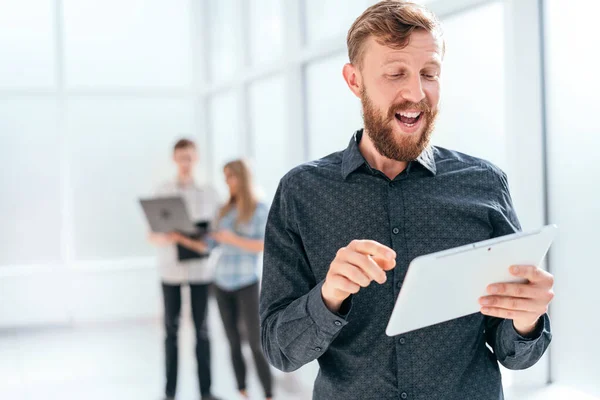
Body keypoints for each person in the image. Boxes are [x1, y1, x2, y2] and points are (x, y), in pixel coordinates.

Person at [259, 2, 554, 400]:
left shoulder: (484, 184)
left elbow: (514, 354)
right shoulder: (301, 193)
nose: (416, 93)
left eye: (428, 74)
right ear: (354, 80)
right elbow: (280, 351)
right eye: (395, 73)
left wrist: (526, 320)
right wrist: (329, 295)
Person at [172, 159, 273, 400]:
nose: (227, 181)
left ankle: (269, 394)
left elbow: (263, 245)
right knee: (232, 341)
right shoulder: (223, 210)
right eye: (225, 177)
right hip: (221, 282)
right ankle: (243, 391)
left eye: (230, 176)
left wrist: (232, 238)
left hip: (246, 282)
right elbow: (211, 244)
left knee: (255, 343)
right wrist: (184, 237)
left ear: (242, 177)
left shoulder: (259, 209)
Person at [148, 138, 221, 400]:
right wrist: (170, 237)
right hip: (171, 271)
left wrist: (202, 241)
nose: (185, 163)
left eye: (189, 157)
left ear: (196, 158)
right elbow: (151, 235)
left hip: (201, 271)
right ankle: (170, 393)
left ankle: (206, 392)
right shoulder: (162, 191)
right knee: (171, 331)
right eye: (181, 158)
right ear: (174, 159)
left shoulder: (210, 193)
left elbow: (216, 234)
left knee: (202, 331)